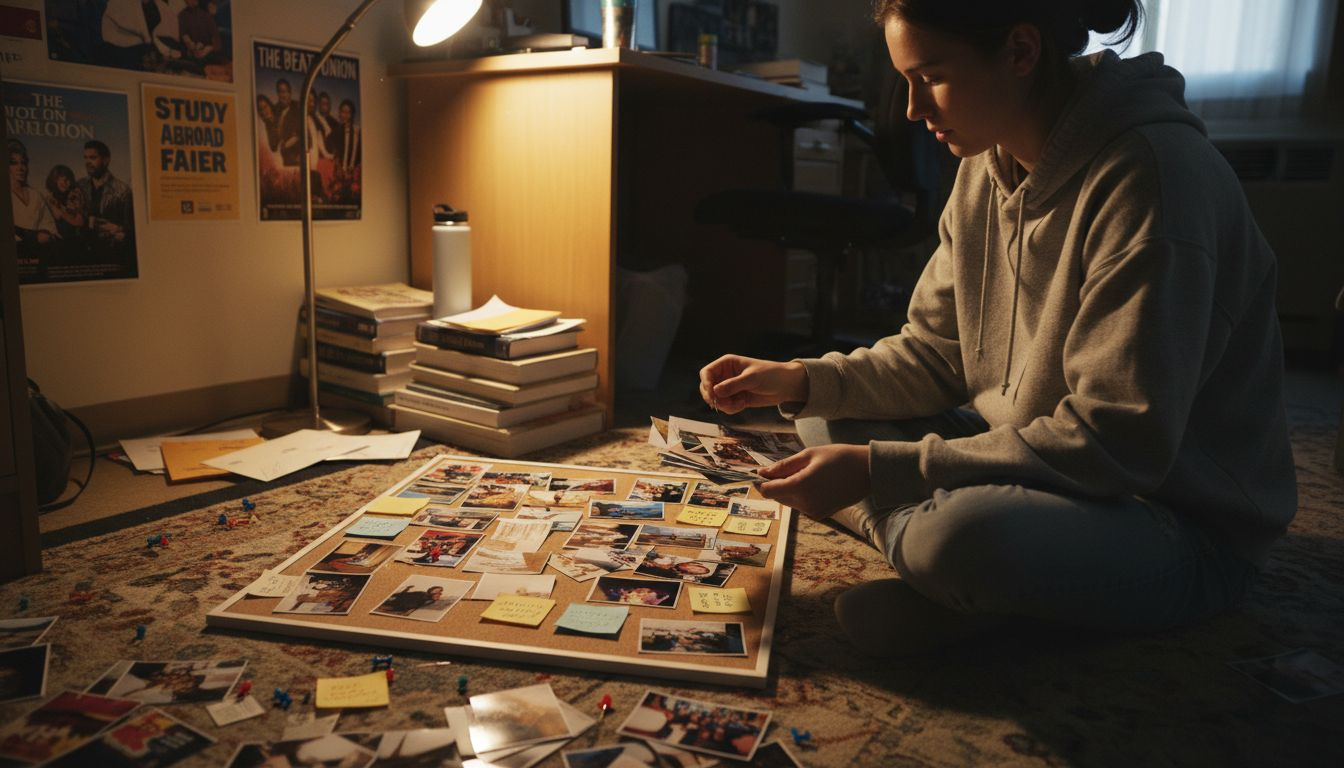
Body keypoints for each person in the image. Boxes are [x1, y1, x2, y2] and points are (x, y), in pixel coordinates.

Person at [699, 0, 1296, 657]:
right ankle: (970, 586)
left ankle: (958, 574)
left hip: (1173, 520)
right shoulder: (986, 165)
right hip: (1031, 457)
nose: (911, 110)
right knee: (819, 418)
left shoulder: (1151, 179)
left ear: (1019, 51)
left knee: (957, 538)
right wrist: (802, 377)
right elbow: (934, 354)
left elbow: (1118, 443)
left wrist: (880, 472)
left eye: (929, 77)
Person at [77, 139, 135, 257]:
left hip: (110, 252)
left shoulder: (122, 190)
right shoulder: (79, 185)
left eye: (93, 158)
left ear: (106, 160)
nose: (88, 162)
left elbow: (131, 228)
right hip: (82, 252)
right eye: (86, 158)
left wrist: (119, 229)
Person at [8, 140, 56, 247]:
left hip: (38, 254)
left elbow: (51, 230)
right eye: (13, 163)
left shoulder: (36, 196)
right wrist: (33, 237)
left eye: (23, 163)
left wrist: (46, 236)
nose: (20, 168)